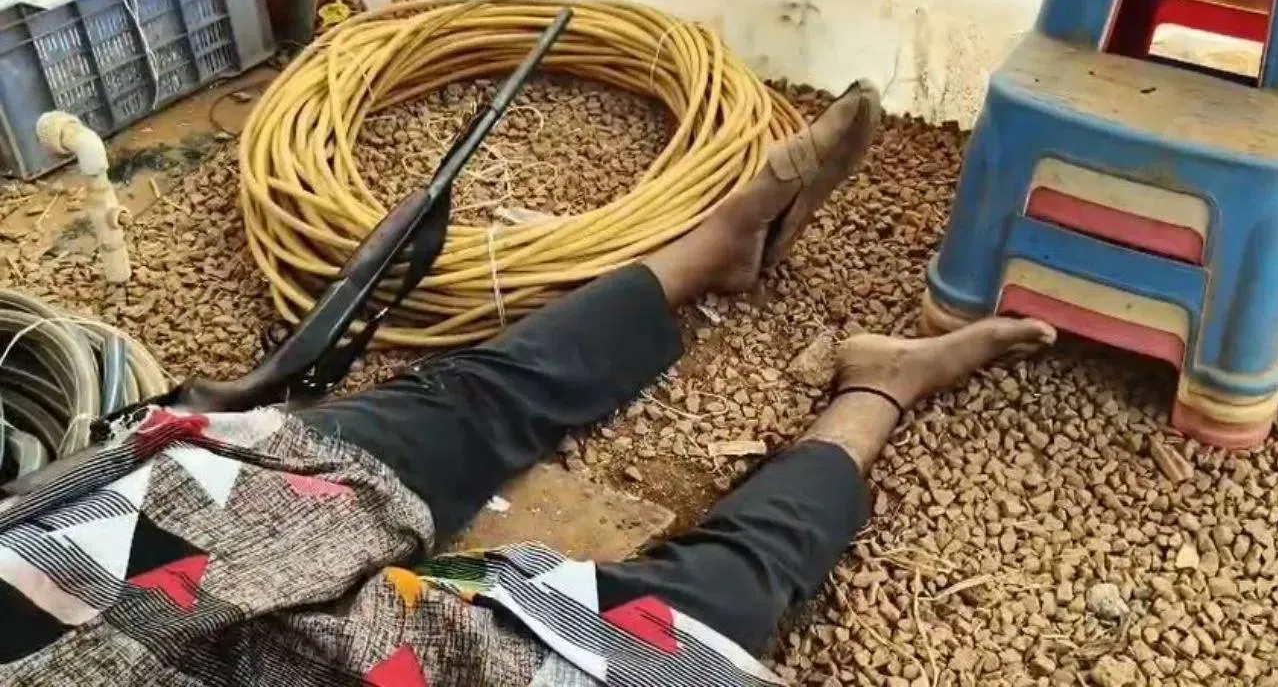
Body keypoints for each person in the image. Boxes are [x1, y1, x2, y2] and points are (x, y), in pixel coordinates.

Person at [0, 81, 1054, 686]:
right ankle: (875, 391)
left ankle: (706, 252)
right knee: (699, 619)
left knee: (439, 415)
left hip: (67, 573)